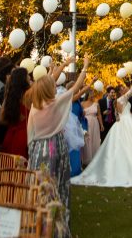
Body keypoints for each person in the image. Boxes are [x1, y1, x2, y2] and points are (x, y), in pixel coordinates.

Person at [27, 55, 90, 229]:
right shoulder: (55, 103)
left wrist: (62, 65)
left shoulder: (35, 102)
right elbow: (76, 87)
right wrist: (84, 67)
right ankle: (56, 221)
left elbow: (47, 81)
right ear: (50, 89)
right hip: (54, 147)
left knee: (41, 184)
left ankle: (38, 218)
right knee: (58, 182)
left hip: (38, 148)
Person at [73, 77, 132, 188]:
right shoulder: (122, 99)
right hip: (127, 123)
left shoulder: (118, 101)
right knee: (128, 147)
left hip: (124, 122)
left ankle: (126, 168)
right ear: (121, 91)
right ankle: (129, 171)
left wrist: (120, 117)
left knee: (127, 147)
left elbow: (117, 116)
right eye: (123, 88)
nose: (125, 89)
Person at [0, 67, 30, 158]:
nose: (29, 77)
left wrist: (14, 122)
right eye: (27, 75)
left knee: (10, 168)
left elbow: (1, 119)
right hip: (25, 136)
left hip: (10, 136)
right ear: (23, 78)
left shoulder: (9, 96)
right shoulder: (28, 95)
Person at [80, 92, 102, 166]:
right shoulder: (82, 103)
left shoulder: (96, 104)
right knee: (87, 140)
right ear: (87, 95)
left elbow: (99, 114)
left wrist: (101, 124)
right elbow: (79, 114)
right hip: (85, 123)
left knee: (94, 140)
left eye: (93, 94)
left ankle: (94, 158)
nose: (92, 96)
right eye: (91, 94)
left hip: (95, 123)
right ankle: (86, 160)